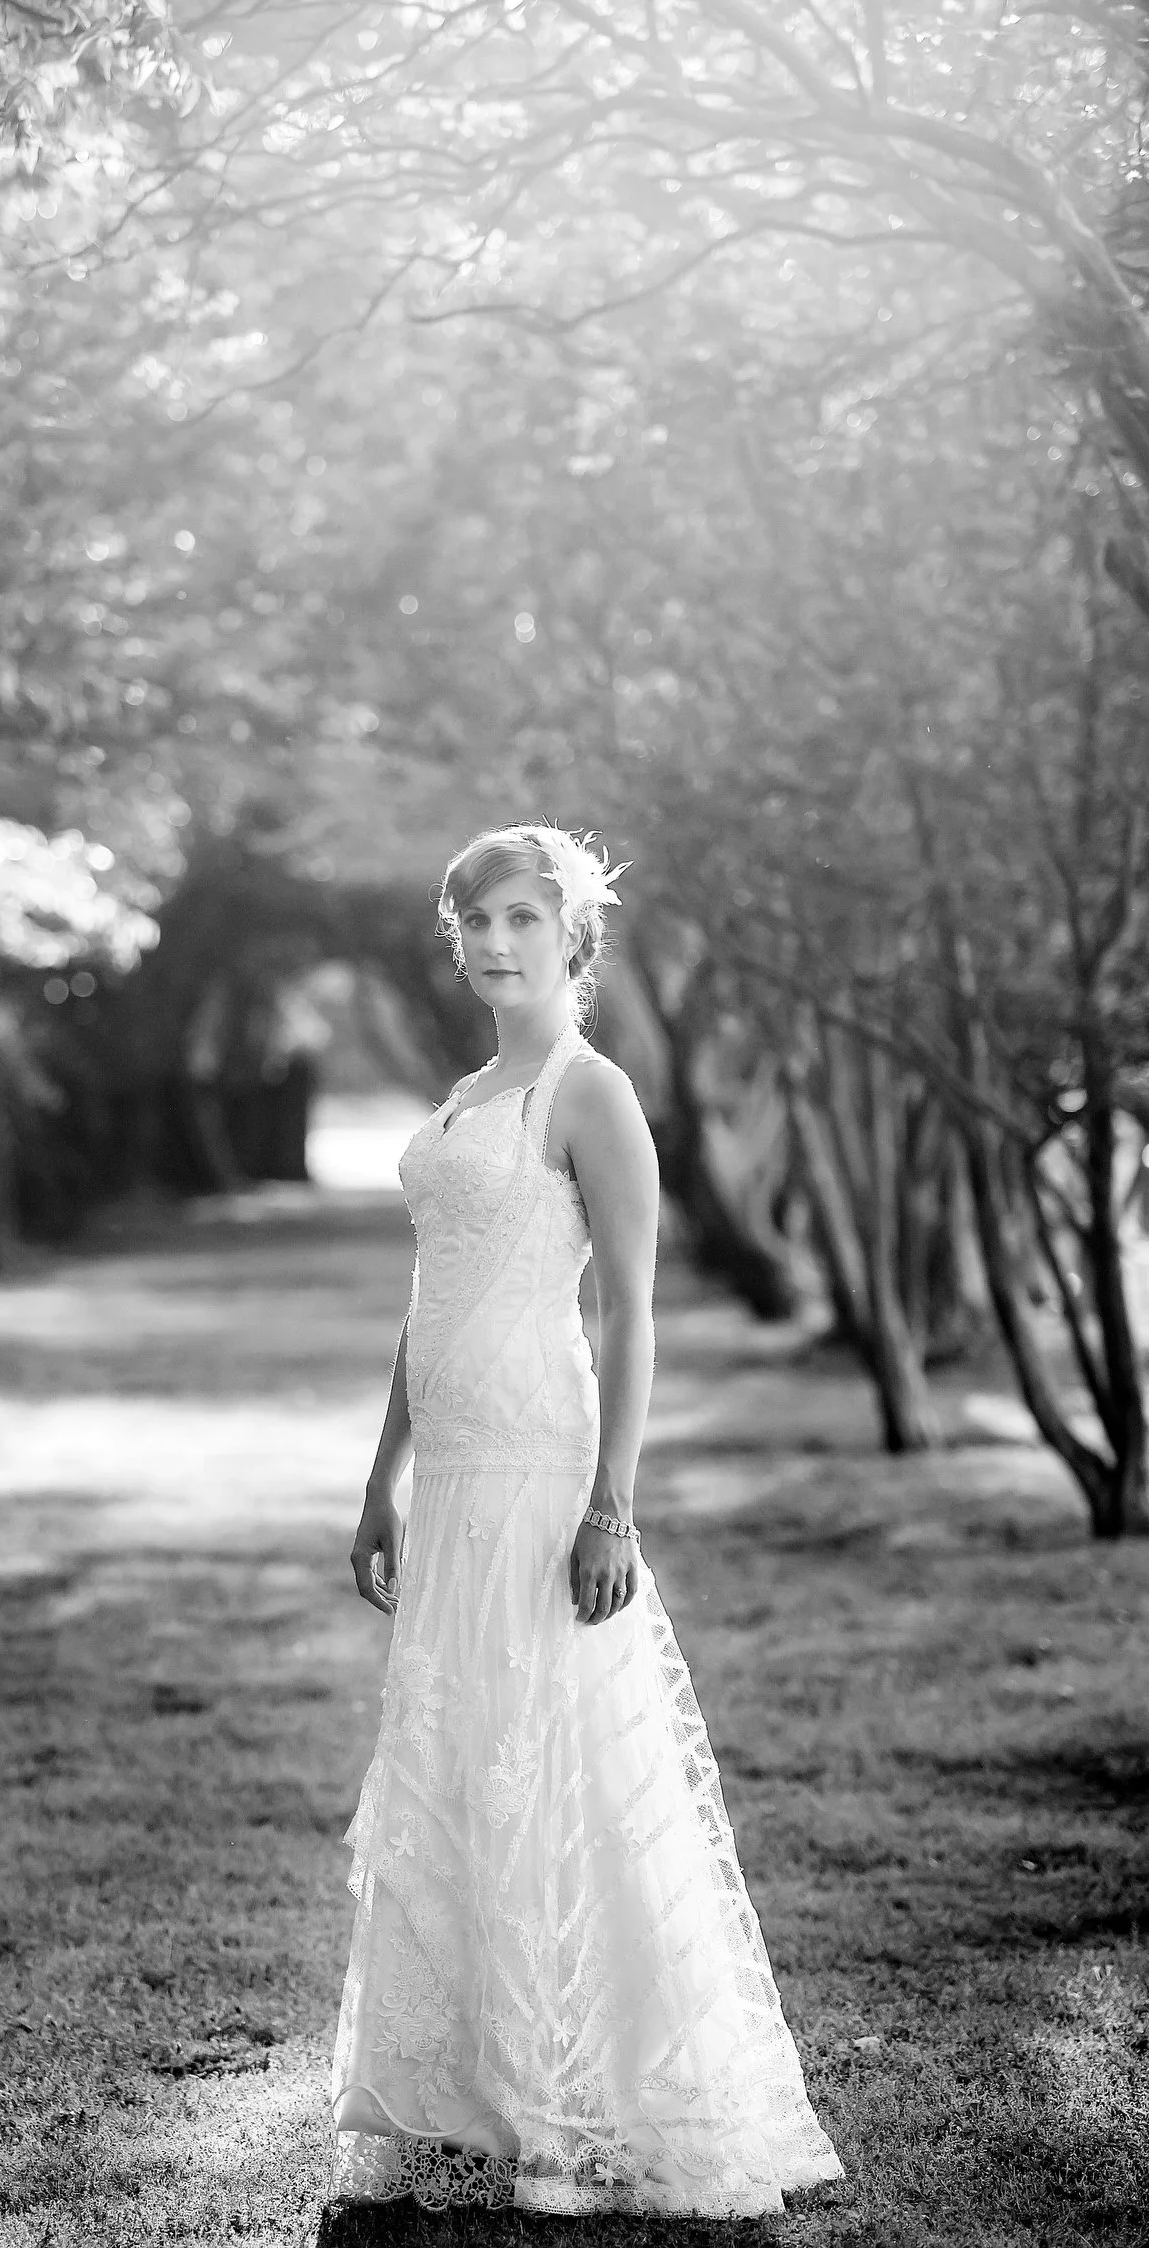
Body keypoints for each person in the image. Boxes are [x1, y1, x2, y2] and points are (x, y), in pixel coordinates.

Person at [331, 824, 843, 2217]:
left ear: (573, 937)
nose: (492, 942)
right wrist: (382, 1476)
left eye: (519, 918)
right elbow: (429, 1305)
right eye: (472, 920)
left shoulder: (588, 1089)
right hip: (452, 1489)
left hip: (549, 1480)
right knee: (460, 1769)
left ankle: (584, 2100)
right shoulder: (465, 1090)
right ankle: (470, 2096)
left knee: (558, 1779)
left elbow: (626, 1309)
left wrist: (615, 1505)